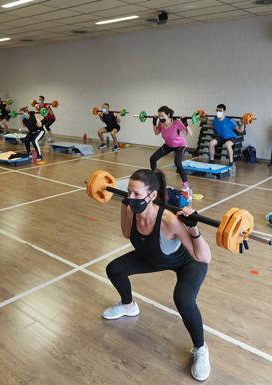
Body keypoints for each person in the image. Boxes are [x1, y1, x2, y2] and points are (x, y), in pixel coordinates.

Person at [104, 169, 212, 381]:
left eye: (136, 194)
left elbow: (204, 257)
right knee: (114, 269)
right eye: (128, 192)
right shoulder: (129, 208)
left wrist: (194, 230)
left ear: (152, 195)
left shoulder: (169, 221)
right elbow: (127, 234)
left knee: (183, 299)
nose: (130, 197)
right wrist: (123, 206)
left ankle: (200, 349)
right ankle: (128, 305)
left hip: (187, 262)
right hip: (154, 257)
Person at [149, 106, 193, 197]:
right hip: (169, 145)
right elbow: (157, 133)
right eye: (159, 116)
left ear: (168, 115)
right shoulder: (161, 123)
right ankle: (155, 179)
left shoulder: (176, 122)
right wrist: (154, 123)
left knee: (177, 162)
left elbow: (189, 134)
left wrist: (186, 124)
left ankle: (185, 184)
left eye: (162, 116)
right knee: (152, 159)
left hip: (180, 145)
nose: (160, 118)